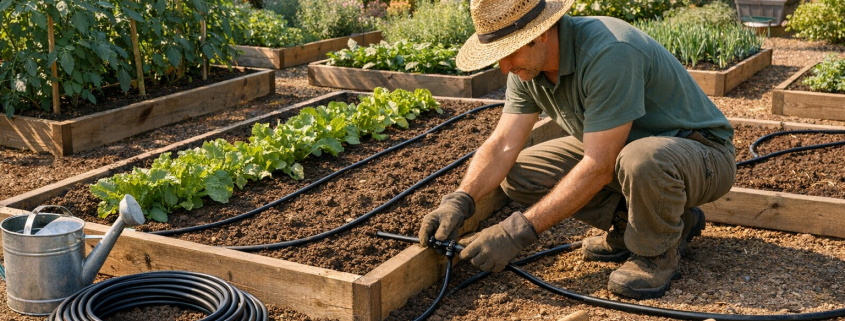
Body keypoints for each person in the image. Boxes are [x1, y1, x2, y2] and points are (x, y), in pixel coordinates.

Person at [417, 0, 737, 299]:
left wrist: (515, 233)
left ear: (540, 33)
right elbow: (503, 144)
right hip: (624, 148)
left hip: (701, 152)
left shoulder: (609, 52)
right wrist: (460, 200)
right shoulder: (527, 69)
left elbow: (598, 165)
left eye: (508, 52)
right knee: (521, 174)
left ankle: (656, 252)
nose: (504, 67)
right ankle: (644, 224)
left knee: (641, 160)